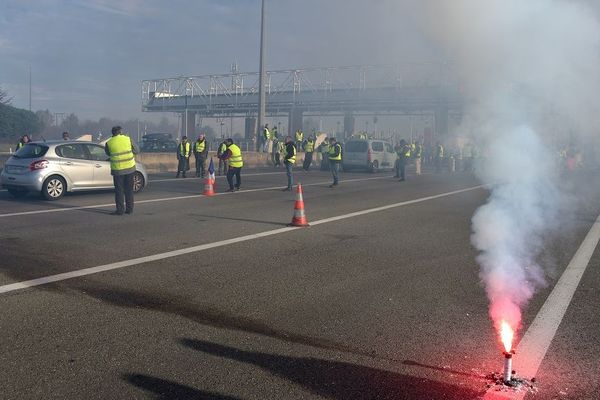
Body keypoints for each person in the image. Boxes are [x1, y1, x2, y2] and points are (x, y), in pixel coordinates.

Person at [104, 126, 136, 215]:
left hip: (118, 170)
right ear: (121, 132)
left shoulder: (109, 143)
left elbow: (108, 153)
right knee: (129, 190)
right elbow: (137, 150)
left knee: (119, 191)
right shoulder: (128, 139)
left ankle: (120, 210)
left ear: (112, 133)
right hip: (130, 168)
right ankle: (129, 209)